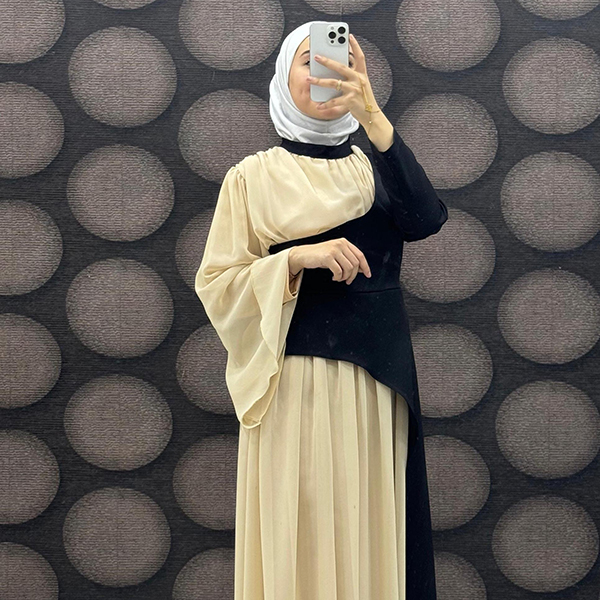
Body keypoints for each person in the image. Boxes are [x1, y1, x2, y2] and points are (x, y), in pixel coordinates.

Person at [195, 20, 448, 600]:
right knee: (304, 529)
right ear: (283, 77)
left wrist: (373, 117)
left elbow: (424, 219)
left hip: (376, 390)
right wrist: (294, 260)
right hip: (296, 387)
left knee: (367, 532)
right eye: (310, 60)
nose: (328, 72)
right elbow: (217, 283)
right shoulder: (252, 178)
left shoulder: (373, 166)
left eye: (343, 61)